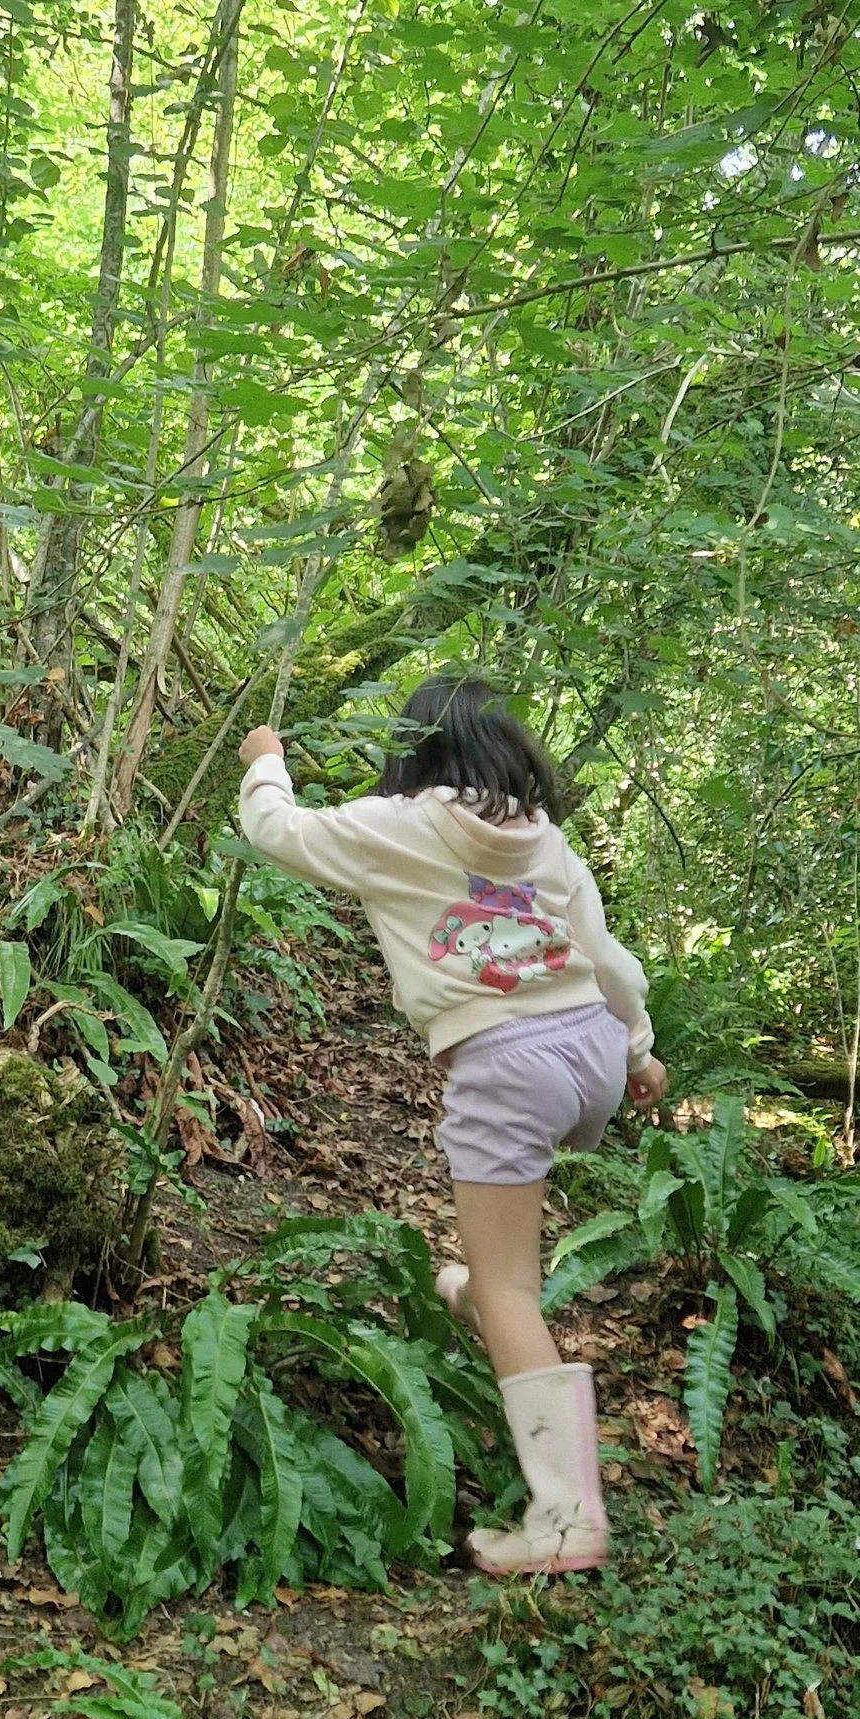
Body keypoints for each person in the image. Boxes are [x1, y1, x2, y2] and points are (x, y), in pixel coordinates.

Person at [237, 674, 667, 1579]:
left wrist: (266, 763)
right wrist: (638, 1051)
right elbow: (608, 956)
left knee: (512, 1290)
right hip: (588, 1050)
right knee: (496, 1268)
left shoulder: (399, 824)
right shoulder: (543, 837)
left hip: (508, 1066)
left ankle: (566, 1517)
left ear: (413, 748)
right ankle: (478, 1289)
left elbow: (277, 832)